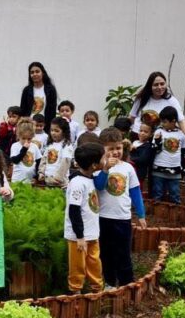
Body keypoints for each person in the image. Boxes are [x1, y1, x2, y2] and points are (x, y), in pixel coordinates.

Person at [97, 128, 146, 288]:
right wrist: (105, 170)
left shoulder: (128, 168)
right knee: (106, 252)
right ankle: (110, 281)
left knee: (123, 252)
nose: (115, 152)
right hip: (103, 218)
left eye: (118, 148)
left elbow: (135, 192)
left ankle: (127, 282)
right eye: (110, 149)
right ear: (102, 149)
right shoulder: (97, 168)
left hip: (123, 219)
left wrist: (141, 214)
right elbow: (99, 185)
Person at [64, 143, 105, 294]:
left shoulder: (90, 178)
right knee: (77, 265)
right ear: (94, 165)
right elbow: (74, 211)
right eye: (103, 158)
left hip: (92, 232)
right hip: (78, 237)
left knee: (94, 261)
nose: (105, 160)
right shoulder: (77, 183)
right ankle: (75, 291)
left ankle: (97, 288)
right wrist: (80, 236)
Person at [129, 71, 185, 143]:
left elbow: (181, 120)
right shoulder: (142, 98)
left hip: (158, 138)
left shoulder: (171, 100)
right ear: (150, 86)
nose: (159, 87)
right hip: (138, 136)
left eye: (162, 84)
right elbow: (132, 117)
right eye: (156, 85)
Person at [151, 106, 185, 204]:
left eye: (164, 122)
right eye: (161, 121)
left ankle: (175, 216)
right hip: (159, 169)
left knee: (175, 195)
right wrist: (157, 140)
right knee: (157, 194)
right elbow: (154, 149)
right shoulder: (158, 132)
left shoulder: (181, 135)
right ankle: (157, 215)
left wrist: (184, 169)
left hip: (175, 170)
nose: (162, 124)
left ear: (173, 121)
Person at [38, 117, 74, 188]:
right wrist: (41, 172)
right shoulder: (50, 145)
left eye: (57, 131)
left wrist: (58, 178)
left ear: (64, 132)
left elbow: (65, 162)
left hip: (60, 183)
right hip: (48, 180)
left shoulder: (66, 145)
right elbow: (44, 159)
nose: (53, 133)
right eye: (52, 130)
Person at [9, 118, 41, 184]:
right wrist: (24, 149)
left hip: (30, 181)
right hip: (17, 180)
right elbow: (15, 160)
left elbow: (38, 162)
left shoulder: (34, 146)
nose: (26, 141)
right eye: (23, 138)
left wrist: (36, 177)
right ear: (19, 136)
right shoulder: (15, 146)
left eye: (29, 139)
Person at [129, 123, 155, 189]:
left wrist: (130, 158)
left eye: (145, 132)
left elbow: (142, 159)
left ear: (151, 134)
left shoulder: (148, 146)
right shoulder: (134, 142)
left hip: (139, 173)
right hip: (130, 172)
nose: (142, 133)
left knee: (136, 188)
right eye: (141, 131)